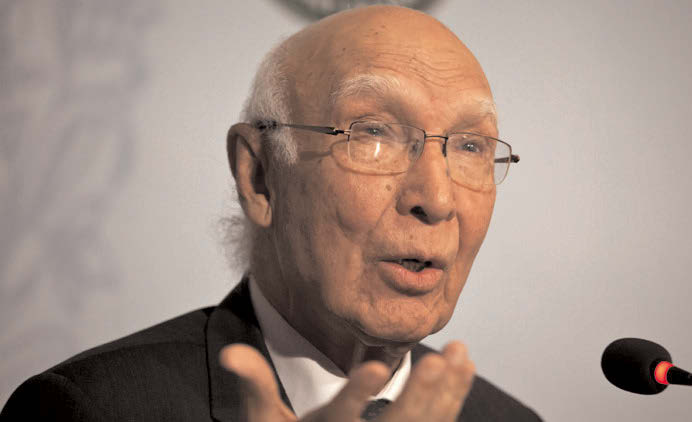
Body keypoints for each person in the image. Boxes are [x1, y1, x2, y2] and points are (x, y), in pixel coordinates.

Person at [1, 5, 540, 421]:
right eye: (372, 133)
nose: (438, 199)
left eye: (471, 146)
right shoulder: (91, 409)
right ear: (259, 176)